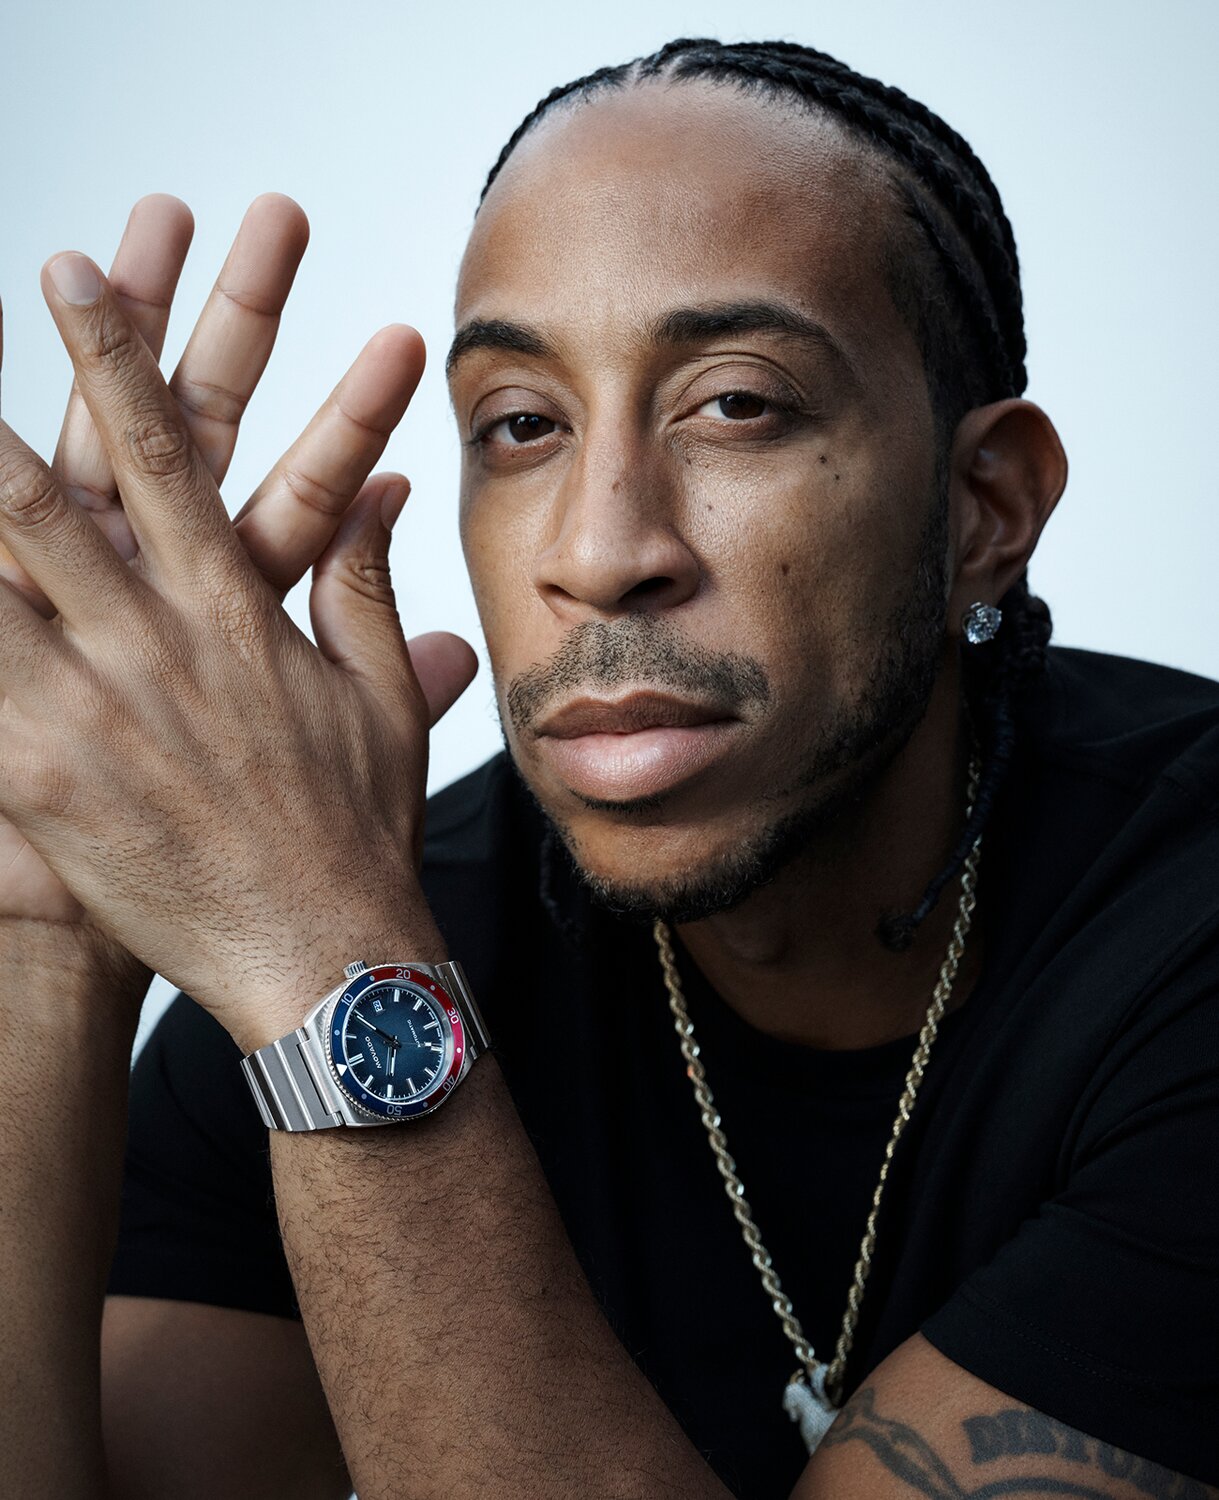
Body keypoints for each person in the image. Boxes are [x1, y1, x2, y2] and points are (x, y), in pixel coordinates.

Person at [0, 34, 1215, 1500]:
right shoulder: (366, 928)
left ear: (985, 508)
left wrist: (330, 971)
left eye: (737, 405)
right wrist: (50, 940)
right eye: (520, 427)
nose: (599, 552)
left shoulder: (330, 958)